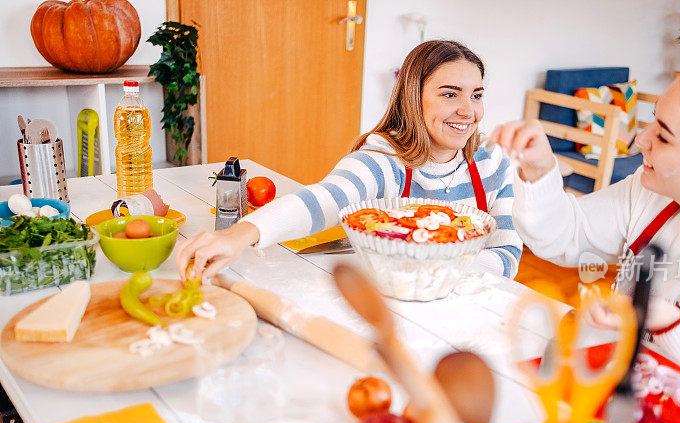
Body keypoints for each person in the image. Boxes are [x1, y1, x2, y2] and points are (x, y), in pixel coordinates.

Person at [491, 59, 680, 406]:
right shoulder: (650, 189)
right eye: (654, 118)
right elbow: (564, 234)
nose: (641, 138)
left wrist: (668, 322)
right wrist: (539, 168)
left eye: (664, 136)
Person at [176, 40, 522, 281]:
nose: (468, 111)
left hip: (473, 303)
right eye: (450, 94)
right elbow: (323, 199)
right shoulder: (385, 158)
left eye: (476, 95)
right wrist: (238, 235)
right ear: (414, 99)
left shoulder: (492, 162)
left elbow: (507, 253)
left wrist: (444, 274)